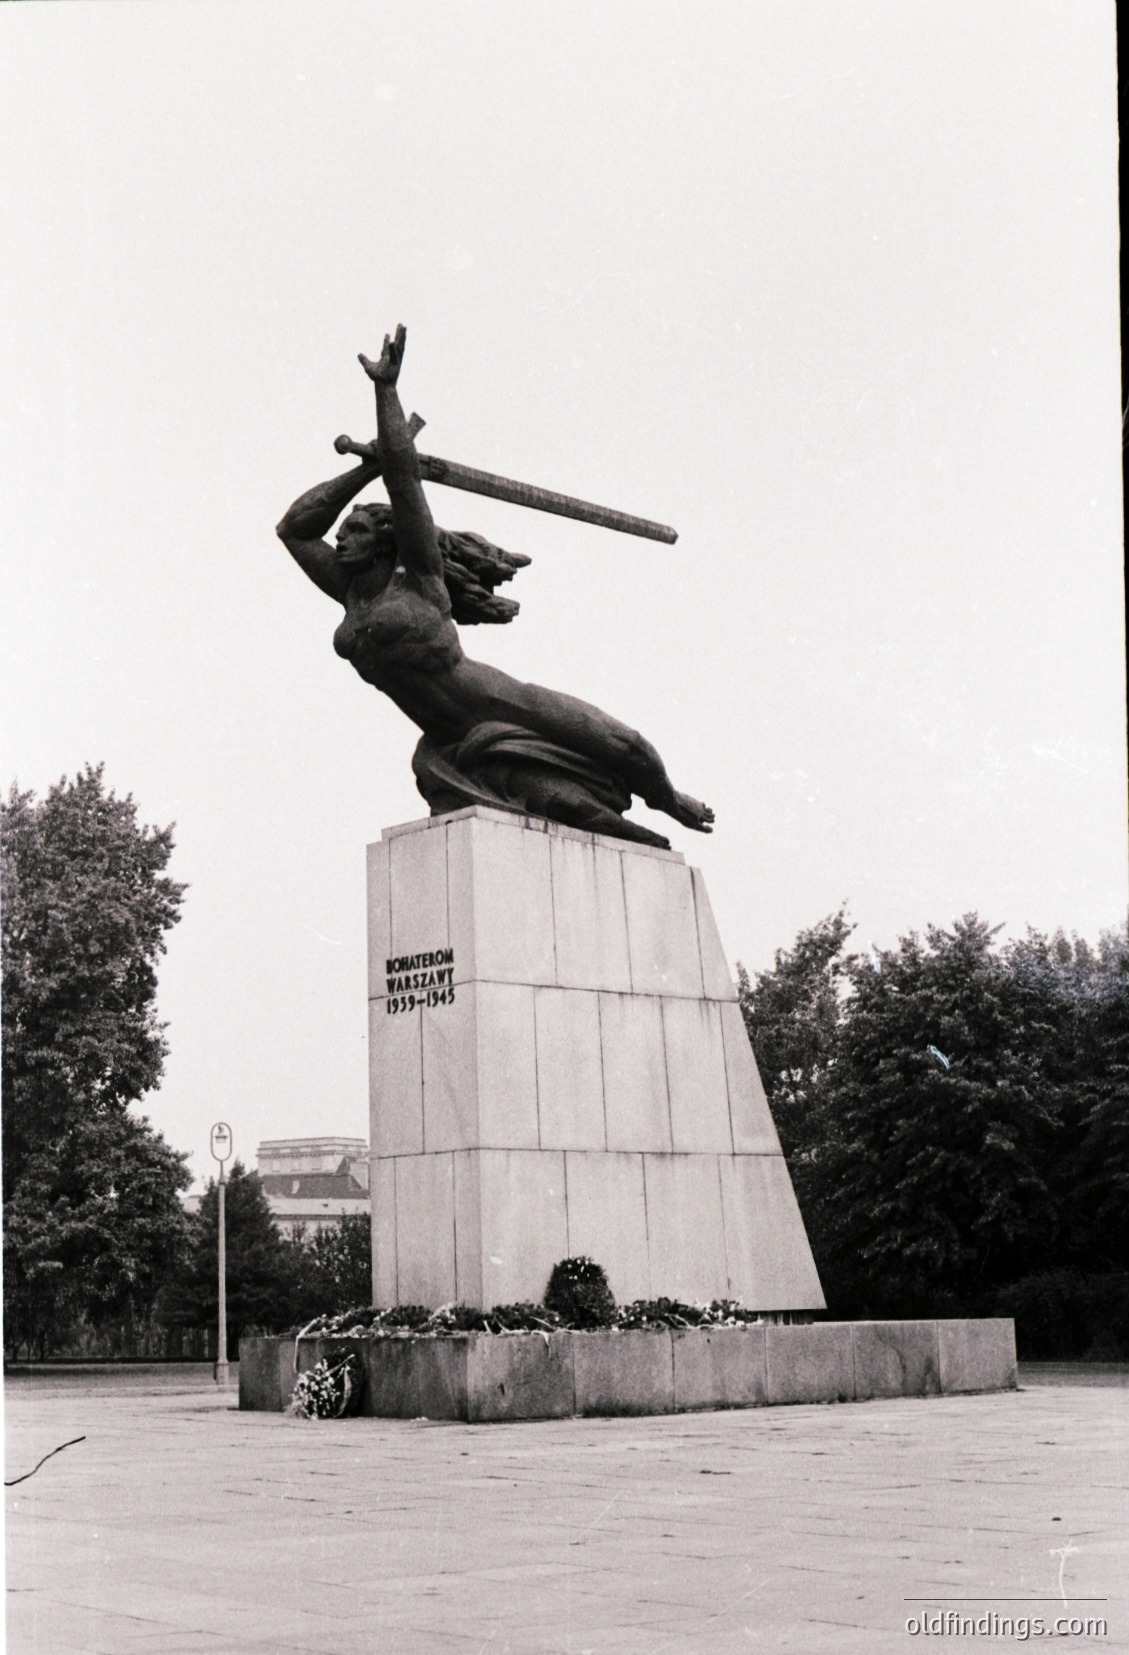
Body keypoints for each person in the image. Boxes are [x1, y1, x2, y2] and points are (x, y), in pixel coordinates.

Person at [276, 326, 713, 849]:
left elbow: (404, 484)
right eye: (341, 533)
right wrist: (363, 472)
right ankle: (635, 825)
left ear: (386, 542)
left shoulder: (419, 577)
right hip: (451, 742)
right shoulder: (349, 592)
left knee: (626, 744)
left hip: (500, 702)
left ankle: (670, 798)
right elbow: (295, 528)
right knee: (575, 811)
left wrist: (385, 393)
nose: (341, 540)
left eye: (356, 531)